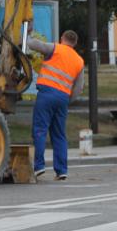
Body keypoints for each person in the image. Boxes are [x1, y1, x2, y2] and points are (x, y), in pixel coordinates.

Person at [28, 30, 85, 180]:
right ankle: (61, 170)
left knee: (40, 130)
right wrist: (67, 99)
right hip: (63, 98)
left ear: (62, 38)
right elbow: (79, 88)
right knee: (59, 134)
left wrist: (26, 36)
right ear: (75, 43)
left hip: (46, 94)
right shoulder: (79, 61)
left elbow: (34, 44)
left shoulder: (55, 48)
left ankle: (39, 166)